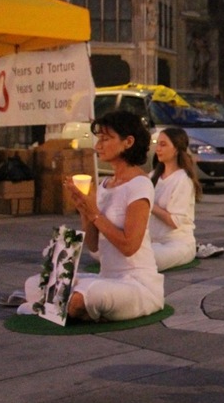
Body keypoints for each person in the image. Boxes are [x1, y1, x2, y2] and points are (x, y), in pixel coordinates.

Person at [19, 111, 163, 321]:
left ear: (128, 142)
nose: (98, 145)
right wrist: (84, 209)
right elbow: (94, 245)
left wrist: (94, 212)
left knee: (83, 297)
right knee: (34, 283)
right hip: (107, 278)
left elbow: (129, 246)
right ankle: (62, 307)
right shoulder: (104, 185)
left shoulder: (140, 184)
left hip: (136, 282)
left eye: (106, 139)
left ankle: (59, 307)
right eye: (98, 139)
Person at [149, 127, 201, 271]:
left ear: (176, 149)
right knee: (104, 252)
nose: (158, 149)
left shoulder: (183, 179)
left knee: (147, 260)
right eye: (157, 144)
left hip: (176, 243)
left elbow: (175, 221)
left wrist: (149, 205)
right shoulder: (153, 176)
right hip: (152, 241)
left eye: (163, 144)